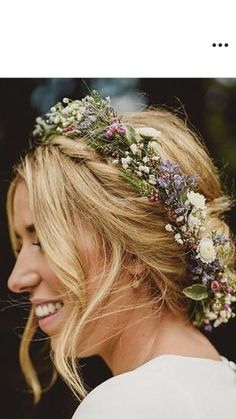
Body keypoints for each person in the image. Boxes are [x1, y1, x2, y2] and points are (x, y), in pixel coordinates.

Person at [7, 91, 236, 418]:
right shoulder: (221, 382)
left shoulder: (128, 403)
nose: (17, 279)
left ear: (131, 251)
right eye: (20, 245)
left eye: (44, 240)